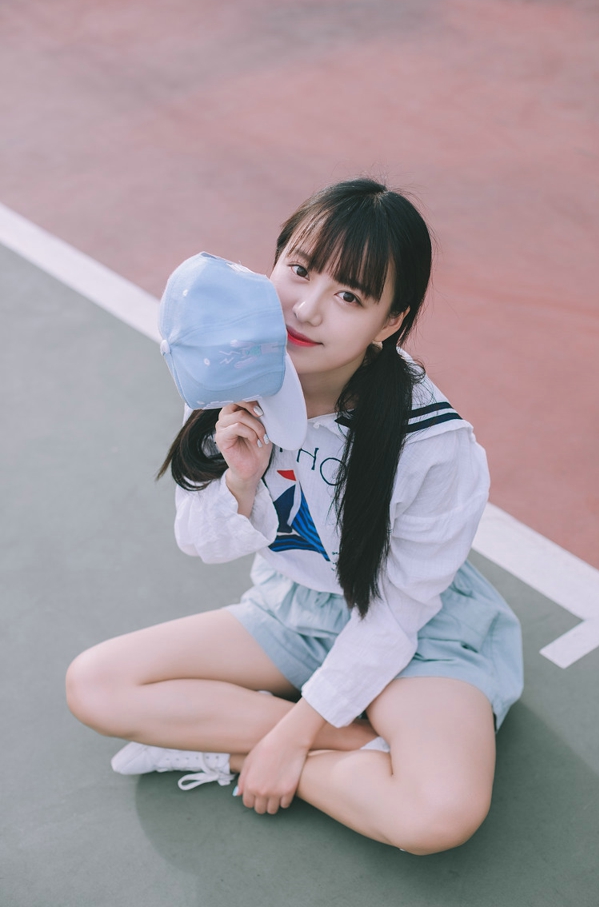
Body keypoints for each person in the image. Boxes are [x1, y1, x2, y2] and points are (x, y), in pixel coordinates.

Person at [66, 178, 523, 855]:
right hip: (295, 609)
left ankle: (229, 749)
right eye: (301, 270)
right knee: (96, 685)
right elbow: (202, 543)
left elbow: (398, 612)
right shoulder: (229, 369)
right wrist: (242, 481)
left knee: (437, 817)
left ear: (390, 322)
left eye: (349, 296)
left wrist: (290, 738)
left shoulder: (433, 444)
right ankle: (356, 751)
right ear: (275, 261)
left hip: (416, 628)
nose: (306, 309)